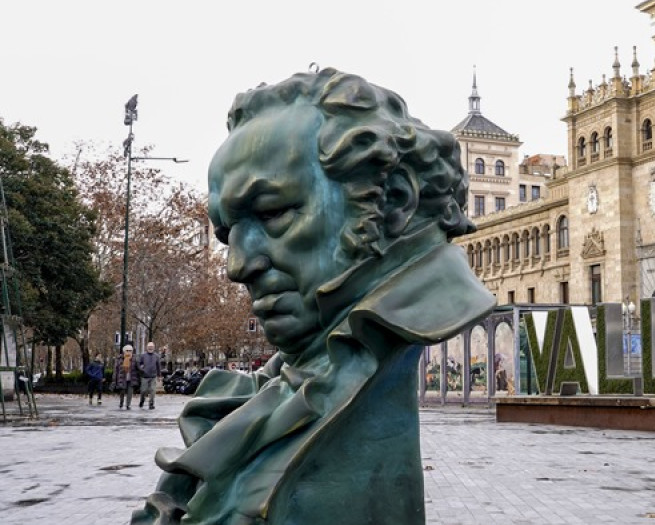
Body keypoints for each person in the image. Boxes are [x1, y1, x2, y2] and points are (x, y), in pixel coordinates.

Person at [132, 69, 495, 525]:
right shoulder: (292, 374)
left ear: (395, 201)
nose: (238, 266)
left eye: (272, 212)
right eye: (227, 235)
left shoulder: (364, 357)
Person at [136, 342, 161, 410]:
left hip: (153, 376)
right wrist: (141, 369)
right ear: (147, 347)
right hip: (144, 376)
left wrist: (159, 376)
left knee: (153, 390)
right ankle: (142, 401)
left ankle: (151, 404)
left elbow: (158, 366)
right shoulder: (143, 356)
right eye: (149, 346)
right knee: (143, 391)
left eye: (152, 346)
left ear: (154, 348)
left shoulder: (156, 356)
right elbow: (138, 364)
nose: (150, 348)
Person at [113, 345, 137, 410]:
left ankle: (128, 405)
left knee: (130, 392)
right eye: (127, 350)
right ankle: (121, 402)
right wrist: (114, 379)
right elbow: (116, 369)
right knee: (122, 392)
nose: (129, 352)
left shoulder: (134, 359)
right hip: (122, 378)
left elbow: (137, 368)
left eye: (130, 351)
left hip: (131, 378)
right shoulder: (119, 358)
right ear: (124, 351)